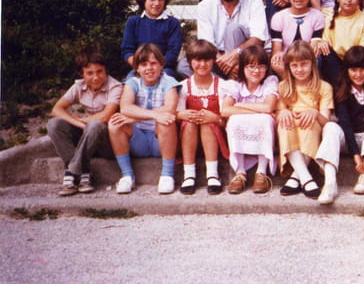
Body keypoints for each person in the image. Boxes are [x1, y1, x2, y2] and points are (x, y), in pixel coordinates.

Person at [48, 47, 121, 196]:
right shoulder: (79, 86)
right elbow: (56, 109)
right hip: (87, 136)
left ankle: (71, 172)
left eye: (100, 71)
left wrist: (82, 120)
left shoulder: (115, 86)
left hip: (108, 141)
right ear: (81, 74)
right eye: (90, 73)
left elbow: (105, 116)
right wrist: (79, 123)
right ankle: (84, 172)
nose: (96, 77)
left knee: (95, 125)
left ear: (105, 70)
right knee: (54, 124)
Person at [108, 44, 180, 194]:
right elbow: (125, 108)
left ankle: (167, 175)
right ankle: (127, 175)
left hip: (160, 139)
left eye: (153, 63)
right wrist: (154, 115)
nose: (149, 68)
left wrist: (134, 118)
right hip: (138, 139)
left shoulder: (169, 82)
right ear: (137, 68)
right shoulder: (132, 83)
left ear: (161, 65)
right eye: (144, 64)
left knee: (166, 120)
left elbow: (170, 108)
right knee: (115, 124)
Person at [318, 46, 364, 203]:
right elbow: (345, 124)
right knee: (331, 126)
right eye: (353, 70)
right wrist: (356, 157)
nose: (358, 74)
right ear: (347, 71)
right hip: (348, 138)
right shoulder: (341, 89)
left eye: (362, 69)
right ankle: (330, 184)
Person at [276, 41, 335, 199]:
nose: (300, 69)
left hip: (312, 127)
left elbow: (326, 122)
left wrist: (315, 112)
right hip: (291, 127)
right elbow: (278, 113)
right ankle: (306, 178)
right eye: (294, 65)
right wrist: (283, 112)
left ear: (312, 64)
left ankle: (296, 177)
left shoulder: (324, 87)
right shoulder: (283, 87)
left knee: (308, 124)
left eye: (304, 64)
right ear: (289, 67)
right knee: (285, 125)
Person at [196, 0, 269, 80]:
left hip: (248, 58)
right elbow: (207, 44)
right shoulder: (205, 6)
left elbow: (258, 39)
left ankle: (227, 81)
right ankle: (231, 79)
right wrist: (225, 65)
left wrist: (237, 53)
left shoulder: (254, 1)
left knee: (232, 29)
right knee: (183, 67)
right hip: (218, 58)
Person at [176, 39, 230, 195]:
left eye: (207, 60)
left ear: (213, 61)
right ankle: (189, 174)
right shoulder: (183, 86)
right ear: (189, 62)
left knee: (207, 122)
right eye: (197, 60)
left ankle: (213, 174)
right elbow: (174, 113)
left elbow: (227, 119)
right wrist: (182, 114)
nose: (202, 64)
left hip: (216, 138)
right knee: (189, 122)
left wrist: (215, 118)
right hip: (189, 139)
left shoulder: (222, 86)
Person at [222, 46, 278, 195]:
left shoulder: (269, 83)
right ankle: (240, 172)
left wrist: (240, 105)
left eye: (261, 66)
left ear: (266, 68)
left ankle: (261, 172)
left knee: (265, 119)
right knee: (234, 120)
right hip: (243, 125)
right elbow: (225, 110)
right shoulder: (236, 85)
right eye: (251, 66)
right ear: (243, 68)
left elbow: (268, 107)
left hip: (263, 124)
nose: (256, 71)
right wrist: (256, 110)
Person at [319, 0, 364, 84]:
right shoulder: (330, 17)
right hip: (336, 63)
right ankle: (339, 86)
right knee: (324, 49)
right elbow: (328, 46)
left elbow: (362, 50)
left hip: (357, 62)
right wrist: (322, 42)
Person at [121, 0, 182, 79]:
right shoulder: (133, 22)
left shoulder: (172, 23)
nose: (157, 3)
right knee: (130, 82)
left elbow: (172, 53)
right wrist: (141, 67)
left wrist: (155, 68)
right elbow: (127, 51)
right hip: (139, 69)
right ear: (143, 0)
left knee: (168, 81)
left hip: (164, 69)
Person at [269, 0, 327, 77]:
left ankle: (306, 84)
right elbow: (276, 50)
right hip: (286, 58)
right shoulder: (278, 17)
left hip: (307, 58)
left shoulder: (317, 16)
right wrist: (279, 55)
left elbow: (313, 46)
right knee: (275, 63)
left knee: (317, 58)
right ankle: (291, 83)